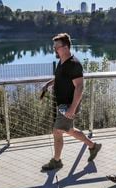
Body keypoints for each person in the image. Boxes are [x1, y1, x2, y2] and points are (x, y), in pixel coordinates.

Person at [40, 33, 102, 171]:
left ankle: (56, 161)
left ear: (66, 47)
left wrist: (72, 109)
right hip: (63, 105)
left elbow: (80, 87)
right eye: (54, 47)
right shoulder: (62, 62)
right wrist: (49, 84)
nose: (55, 50)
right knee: (69, 130)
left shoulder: (74, 64)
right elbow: (61, 78)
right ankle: (93, 146)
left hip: (69, 105)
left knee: (57, 131)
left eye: (57, 47)